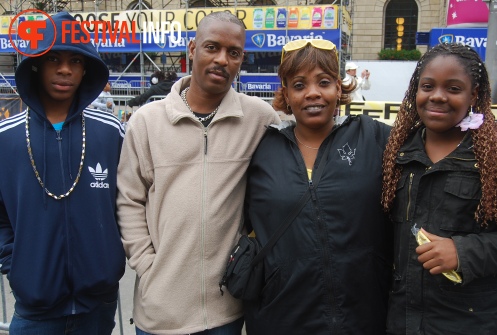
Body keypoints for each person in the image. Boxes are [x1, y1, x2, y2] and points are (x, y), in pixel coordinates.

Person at [116, 11, 280, 335]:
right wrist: (148, 266)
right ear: (192, 49)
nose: (222, 59)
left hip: (226, 312)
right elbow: (129, 200)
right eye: (212, 47)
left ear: (241, 59)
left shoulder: (259, 119)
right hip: (159, 314)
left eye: (233, 53)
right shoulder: (147, 123)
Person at [242, 39, 392, 334]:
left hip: (365, 317)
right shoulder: (260, 148)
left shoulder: (375, 138)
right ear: (285, 93)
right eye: (299, 85)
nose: (312, 93)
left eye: (323, 82)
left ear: (338, 87)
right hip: (281, 318)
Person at [0, 12, 125, 334]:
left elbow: (130, 202)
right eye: (53, 58)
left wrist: (108, 259)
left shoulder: (111, 132)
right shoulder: (6, 137)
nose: (65, 69)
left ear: (87, 69)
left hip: (99, 302)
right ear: (36, 64)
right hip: (34, 307)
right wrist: (18, 267)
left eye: (76, 61)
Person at [382, 43, 497, 334]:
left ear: (473, 95)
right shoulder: (396, 153)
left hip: (468, 321)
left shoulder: (493, 156)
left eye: (454, 88)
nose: (437, 96)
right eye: (428, 86)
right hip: (402, 319)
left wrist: (463, 251)